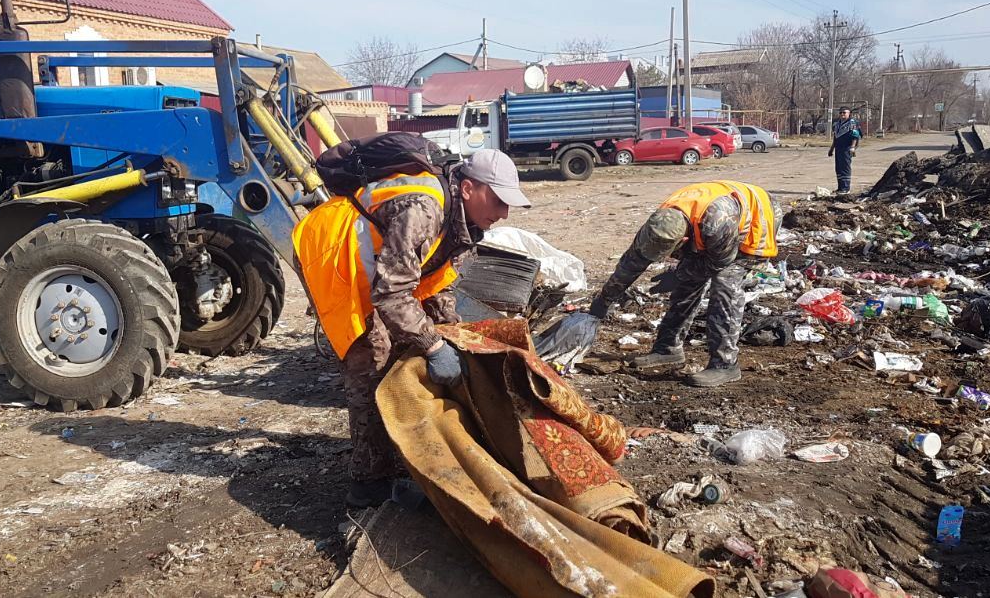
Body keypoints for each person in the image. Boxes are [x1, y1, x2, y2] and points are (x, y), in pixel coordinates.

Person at [292, 148, 530, 507]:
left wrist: (450, 331)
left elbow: (435, 282)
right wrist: (433, 345)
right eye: (497, 200)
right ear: (467, 188)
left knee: (410, 346)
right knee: (373, 358)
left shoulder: (461, 221)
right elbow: (390, 294)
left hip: (374, 270)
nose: (503, 213)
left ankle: (401, 447)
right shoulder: (423, 208)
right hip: (332, 257)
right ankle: (369, 487)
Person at [575, 181, 780, 387]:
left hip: (757, 218)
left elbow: (718, 263)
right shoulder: (657, 225)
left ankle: (725, 364)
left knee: (725, 283)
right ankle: (668, 348)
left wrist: (679, 273)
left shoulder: (716, 224)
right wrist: (605, 298)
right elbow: (632, 262)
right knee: (688, 279)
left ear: (682, 240)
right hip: (711, 222)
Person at [828, 107, 861, 195]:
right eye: (841, 113)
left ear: (849, 113)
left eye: (844, 113)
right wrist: (831, 149)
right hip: (839, 147)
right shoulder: (837, 124)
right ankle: (840, 187)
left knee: (845, 168)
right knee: (838, 168)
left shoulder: (852, 123)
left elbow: (855, 136)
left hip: (847, 147)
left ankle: (846, 188)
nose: (842, 114)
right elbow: (835, 137)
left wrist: (853, 147)